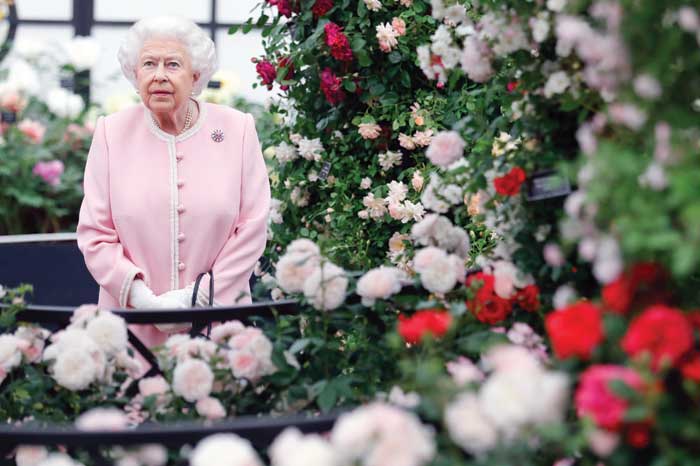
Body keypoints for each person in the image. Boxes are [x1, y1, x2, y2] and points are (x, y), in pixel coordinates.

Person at [76, 16, 270, 346]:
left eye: (173, 64)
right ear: (135, 75)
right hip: (131, 325)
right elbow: (95, 234)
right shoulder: (112, 133)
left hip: (216, 323)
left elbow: (252, 228)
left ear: (195, 76)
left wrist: (194, 299)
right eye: (149, 64)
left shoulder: (236, 130)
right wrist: (145, 302)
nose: (160, 75)